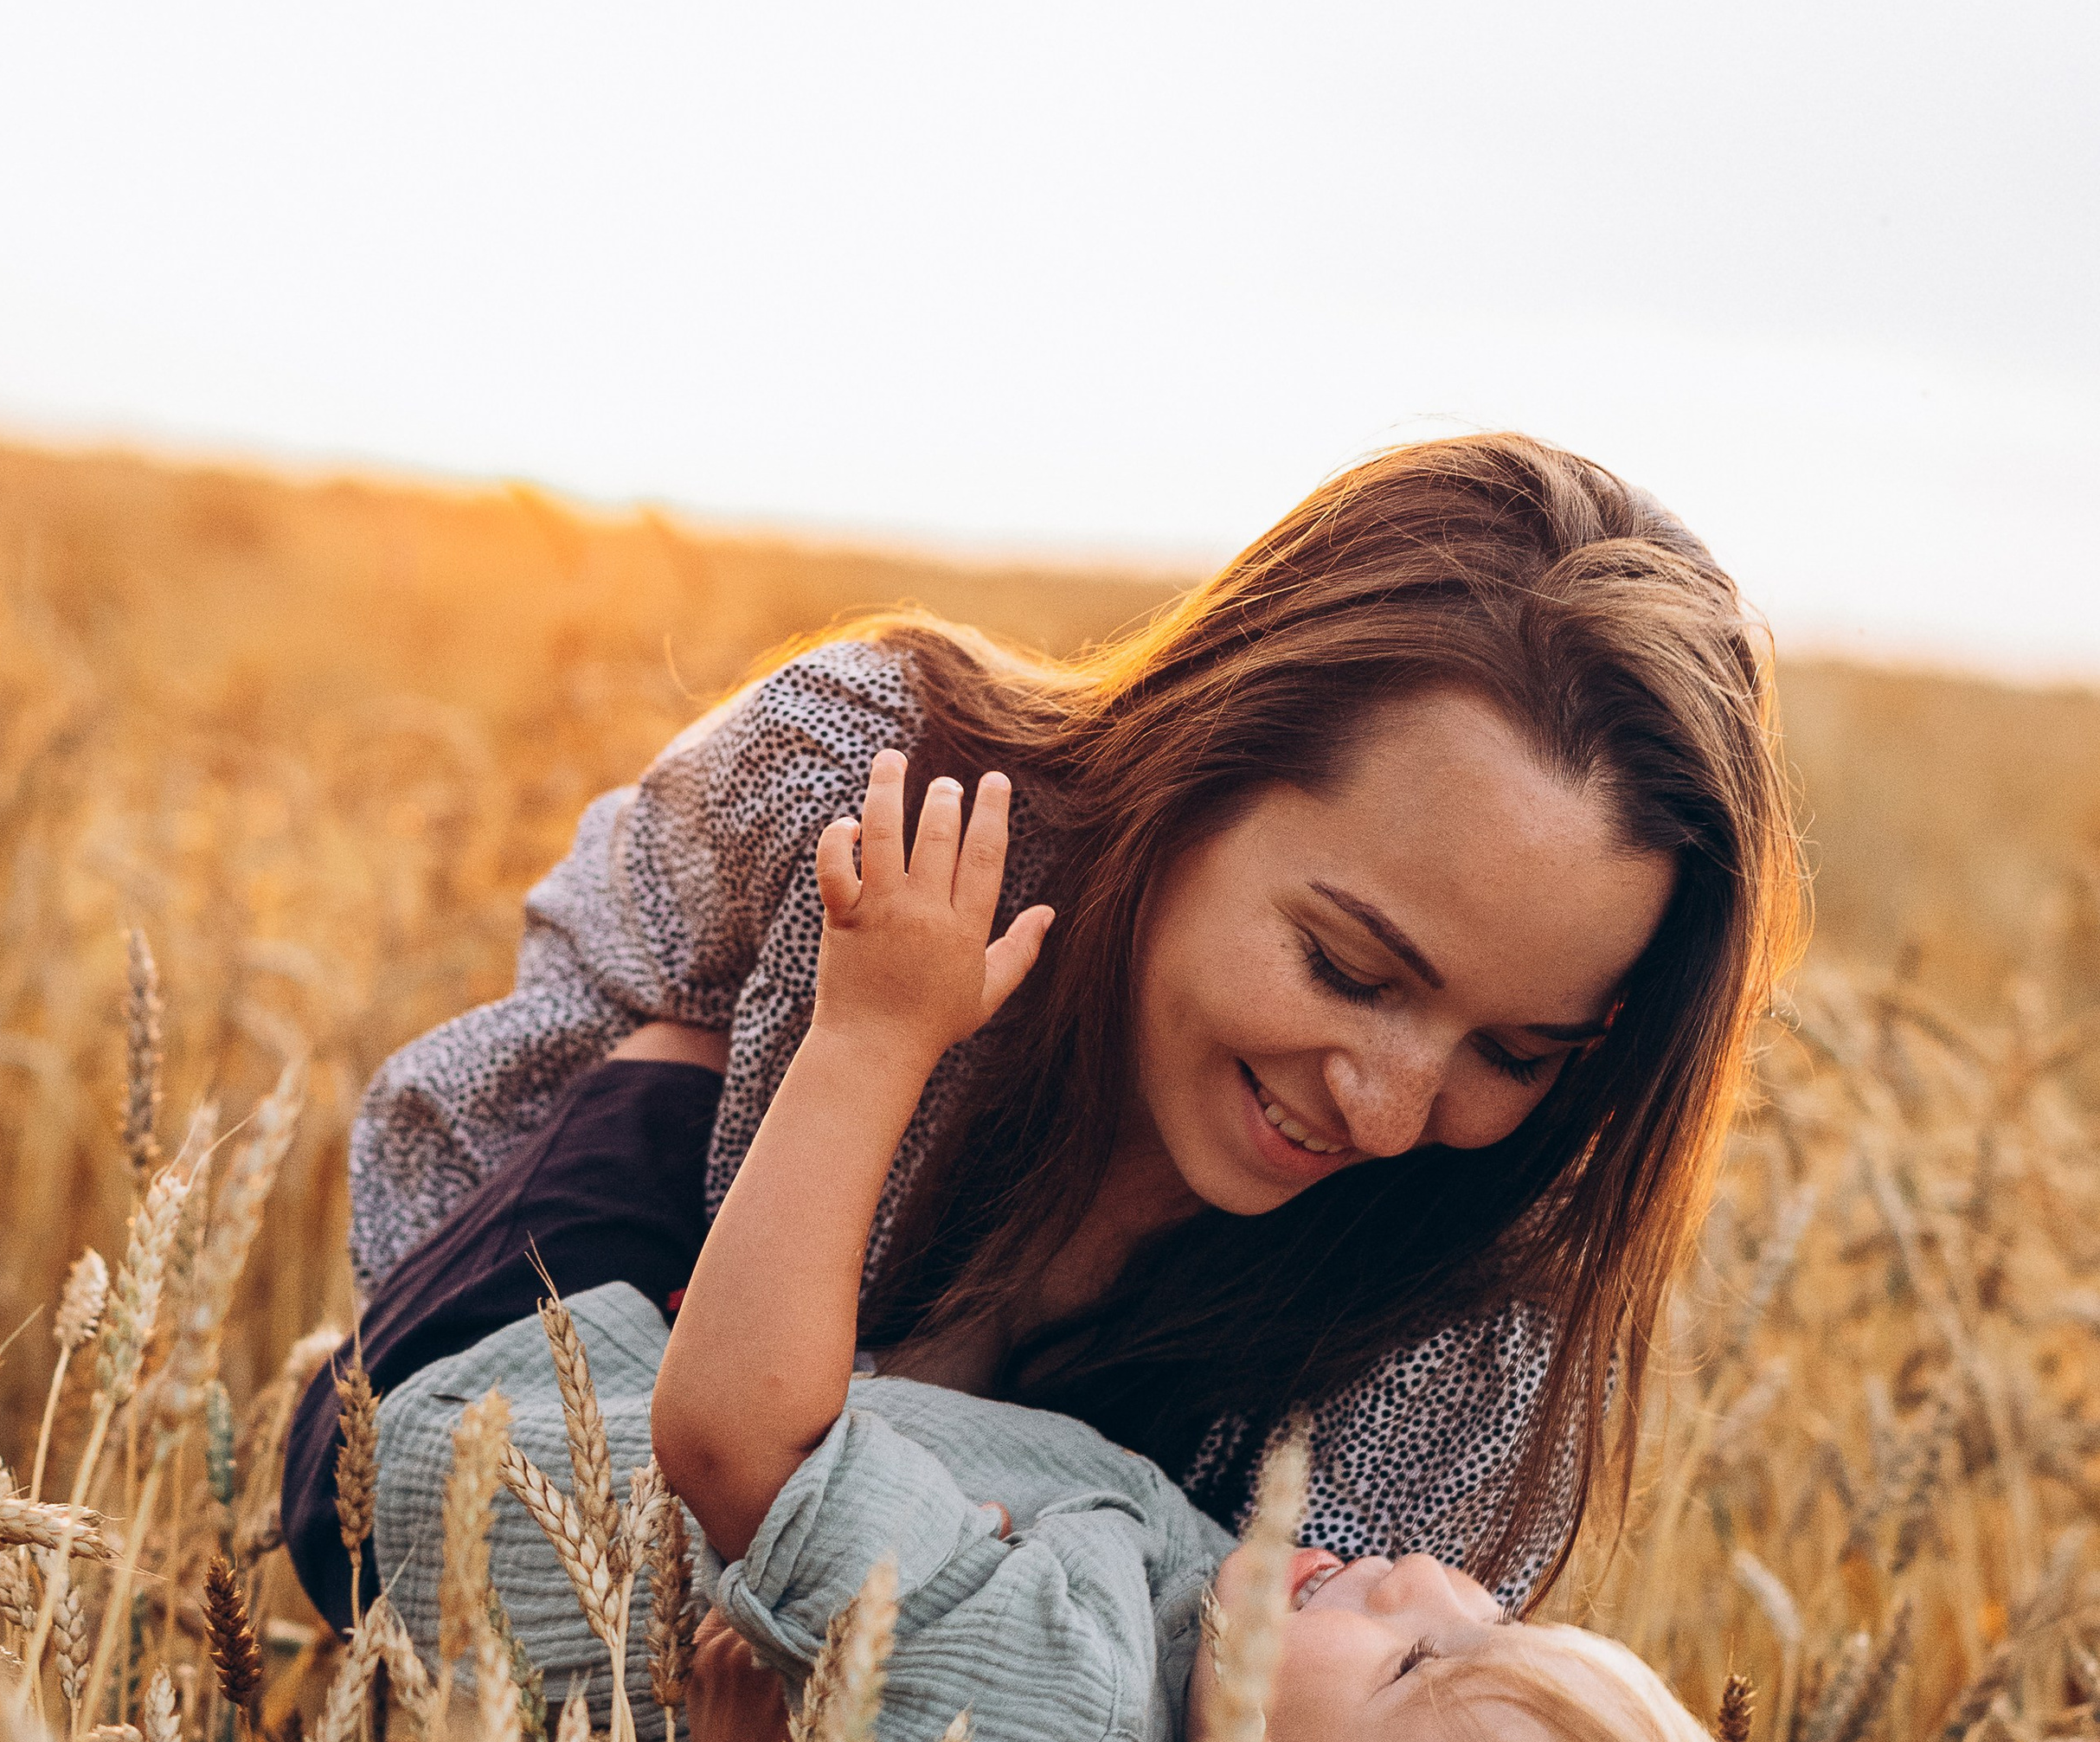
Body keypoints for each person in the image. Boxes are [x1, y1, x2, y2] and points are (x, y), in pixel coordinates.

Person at [375, 748, 1763, 1742]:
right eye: (1495, 1624)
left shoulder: (1059, 1682)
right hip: (566, 1485)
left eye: (1416, 1663)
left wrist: (872, 1037)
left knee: (675, 1061)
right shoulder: (1163, 1710)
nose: (1433, 1576)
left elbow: (732, 1436)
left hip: (491, 1411)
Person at [285, 434, 1804, 1647]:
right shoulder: (879, 795)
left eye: (1518, 1055)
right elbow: (534, 1049)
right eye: (1348, 968)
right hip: (490, 1550)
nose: (1397, 1112)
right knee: (675, 1053)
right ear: (1201, 758)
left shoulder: (1475, 1339)